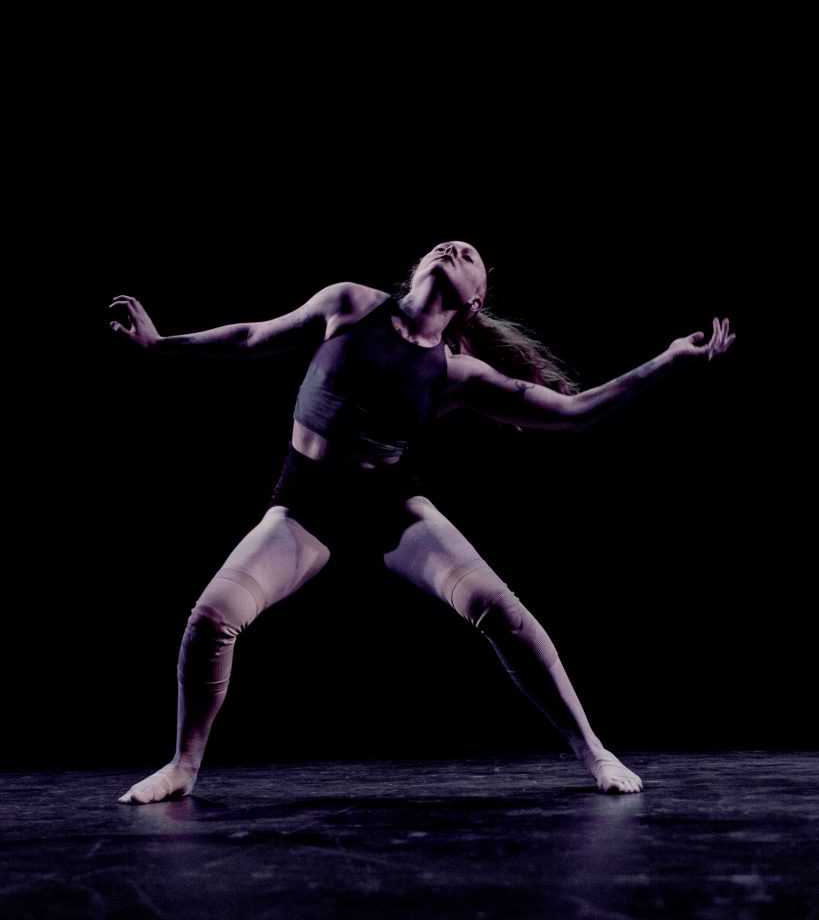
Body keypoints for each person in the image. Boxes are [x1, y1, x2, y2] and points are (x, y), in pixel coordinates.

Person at [110, 241, 735, 803]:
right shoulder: (350, 303)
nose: (455, 247)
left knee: (501, 610)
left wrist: (667, 363)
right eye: (447, 245)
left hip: (389, 506)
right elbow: (252, 336)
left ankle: (594, 752)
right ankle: (183, 766)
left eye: (469, 253)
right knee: (211, 619)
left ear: (475, 300)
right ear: (417, 269)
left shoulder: (456, 373)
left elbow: (572, 412)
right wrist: (161, 345)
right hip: (306, 505)